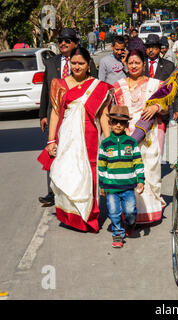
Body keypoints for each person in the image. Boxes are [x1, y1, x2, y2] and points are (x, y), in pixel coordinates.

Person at [40, 47, 114, 232]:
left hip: (90, 139)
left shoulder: (99, 87)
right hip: (67, 138)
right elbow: (56, 113)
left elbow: (104, 116)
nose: (77, 67)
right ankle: (72, 216)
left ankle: (89, 217)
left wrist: (109, 141)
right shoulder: (60, 84)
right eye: (73, 63)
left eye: (81, 63)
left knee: (87, 177)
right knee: (68, 173)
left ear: (89, 64)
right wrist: (51, 140)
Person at [38, 28, 97, 207]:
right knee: (53, 150)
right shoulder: (50, 63)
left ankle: (78, 189)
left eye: (67, 40)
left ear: (75, 43)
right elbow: (46, 90)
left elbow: (93, 88)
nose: (63, 43)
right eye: (60, 40)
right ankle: (52, 191)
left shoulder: (87, 62)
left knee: (75, 153)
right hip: (54, 114)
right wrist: (42, 114)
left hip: (78, 116)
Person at [113, 49, 169, 224]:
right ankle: (129, 214)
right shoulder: (118, 86)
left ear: (144, 64)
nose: (134, 66)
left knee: (150, 171)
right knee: (127, 172)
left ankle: (150, 212)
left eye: (137, 62)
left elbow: (167, 107)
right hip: (127, 133)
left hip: (150, 134)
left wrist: (156, 108)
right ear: (126, 65)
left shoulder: (157, 84)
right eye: (130, 63)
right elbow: (116, 112)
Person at [98, 105, 145, 248]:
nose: (118, 125)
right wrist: (102, 184)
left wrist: (141, 180)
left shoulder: (131, 143)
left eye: (122, 122)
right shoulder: (105, 144)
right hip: (111, 187)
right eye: (115, 121)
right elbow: (101, 166)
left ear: (127, 124)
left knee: (130, 210)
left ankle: (130, 223)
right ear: (110, 123)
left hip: (128, 186)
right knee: (113, 211)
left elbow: (138, 162)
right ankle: (117, 233)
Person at [144, 34, 178, 128]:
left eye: (153, 47)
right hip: (143, 110)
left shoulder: (168, 66)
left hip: (162, 111)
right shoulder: (140, 64)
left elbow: (175, 87)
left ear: (159, 48)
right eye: (148, 47)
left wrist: (177, 108)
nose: (150, 50)